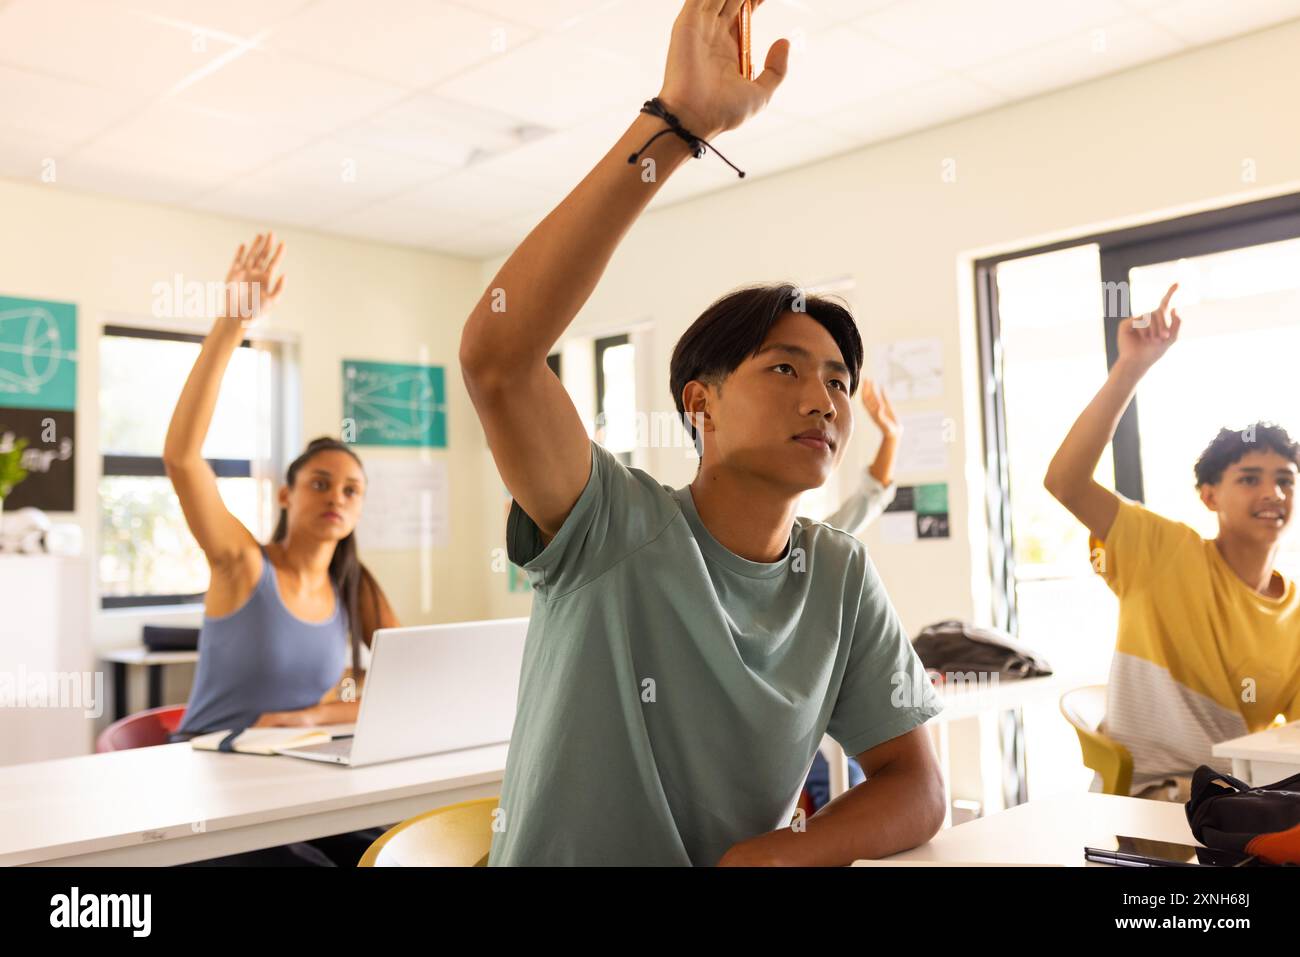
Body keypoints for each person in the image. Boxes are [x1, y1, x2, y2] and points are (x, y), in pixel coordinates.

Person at [460, 0, 945, 866]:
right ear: (701, 403)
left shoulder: (837, 573)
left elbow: (916, 783)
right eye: (785, 368)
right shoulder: (610, 525)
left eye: (840, 380)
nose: (825, 399)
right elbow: (499, 356)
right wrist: (677, 127)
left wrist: (780, 853)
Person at [162, 233, 400, 864]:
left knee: (400, 848)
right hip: (213, 773)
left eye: (352, 489)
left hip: (301, 769)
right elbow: (183, 458)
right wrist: (231, 321)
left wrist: (312, 713)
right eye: (320, 483)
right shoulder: (242, 565)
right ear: (286, 495)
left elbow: (406, 682)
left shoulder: (357, 587)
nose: (337, 497)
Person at [1044, 282, 1300, 802]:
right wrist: (1131, 367)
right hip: (1156, 797)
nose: (1272, 492)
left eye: (1285, 479)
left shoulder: (1294, 612)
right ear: (1209, 496)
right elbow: (1065, 482)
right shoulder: (1162, 550)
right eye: (1249, 478)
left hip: (1241, 801)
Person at [804, 379, 903, 810]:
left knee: (849, 787)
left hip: (832, 726)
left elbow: (869, 498)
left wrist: (892, 435)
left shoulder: (818, 544)